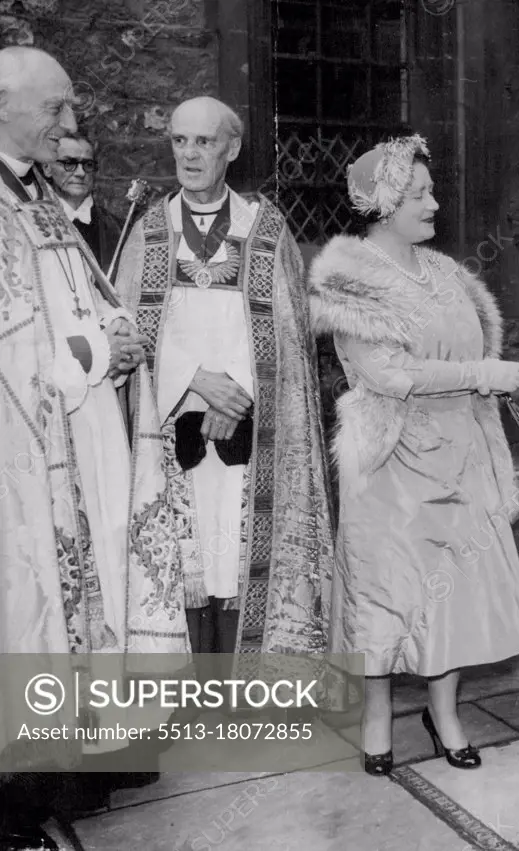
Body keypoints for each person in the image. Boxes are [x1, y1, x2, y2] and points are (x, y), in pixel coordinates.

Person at [308, 134, 519, 777]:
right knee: (385, 592)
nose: (433, 202)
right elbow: (386, 373)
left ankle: (444, 715)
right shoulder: (349, 279)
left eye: (430, 190)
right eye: (417, 194)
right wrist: (482, 373)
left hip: (460, 450)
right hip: (392, 455)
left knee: (452, 596)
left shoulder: (445, 273)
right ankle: (377, 717)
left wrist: (478, 381)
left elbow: (468, 347)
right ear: (383, 205)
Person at [0, 46, 187, 849]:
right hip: (25, 455)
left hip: (77, 442)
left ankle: (53, 786)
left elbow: (82, 296)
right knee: (27, 616)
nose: (70, 124)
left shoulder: (35, 197)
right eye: (55, 108)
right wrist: (92, 354)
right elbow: (15, 349)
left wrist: (113, 329)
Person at [115, 96, 334, 660]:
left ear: (231, 149)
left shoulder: (266, 228)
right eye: (179, 141)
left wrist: (233, 394)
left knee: (236, 555)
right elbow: (128, 331)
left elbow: (288, 336)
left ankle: (249, 684)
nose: (189, 154)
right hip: (173, 427)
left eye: (203, 141)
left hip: (249, 427)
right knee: (185, 556)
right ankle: (185, 689)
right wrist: (194, 380)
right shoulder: (149, 231)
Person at [42, 132, 124, 274]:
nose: (80, 173)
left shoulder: (120, 229)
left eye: (88, 164)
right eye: (69, 163)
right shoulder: (32, 223)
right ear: (47, 168)